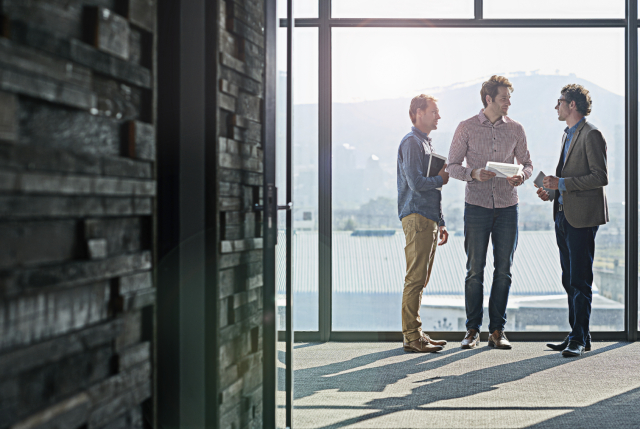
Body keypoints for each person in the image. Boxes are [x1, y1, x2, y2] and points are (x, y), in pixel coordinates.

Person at [448, 75, 533, 350]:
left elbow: (528, 164)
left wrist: (521, 176)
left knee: (504, 270)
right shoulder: (467, 128)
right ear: (489, 99)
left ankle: (497, 331)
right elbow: (451, 165)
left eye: (509, 97)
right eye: (504, 98)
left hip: (508, 207)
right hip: (477, 207)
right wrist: (473, 173)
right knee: (475, 270)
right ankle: (472, 331)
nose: (509, 102)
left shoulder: (517, 129)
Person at [536, 84, 608, 357]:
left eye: (560, 102)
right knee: (569, 280)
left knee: (580, 280)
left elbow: (600, 177)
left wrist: (562, 183)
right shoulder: (567, 136)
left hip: (581, 219)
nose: (557, 106)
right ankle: (579, 335)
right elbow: (567, 180)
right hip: (564, 215)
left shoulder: (591, 135)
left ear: (572, 105)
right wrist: (553, 191)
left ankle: (578, 339)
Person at [397, 94, 450, 353]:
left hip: (427, 218)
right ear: (418, 112)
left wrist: (440, 221)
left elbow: (429, 189)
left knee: (421, 279)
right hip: (416, 217)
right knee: (415, 279)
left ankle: (415, 333)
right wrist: (441, 179)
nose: (438, 116)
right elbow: (416, 184)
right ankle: (411, 336)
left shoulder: (424, 143)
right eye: (434, 111)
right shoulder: (411, 143)